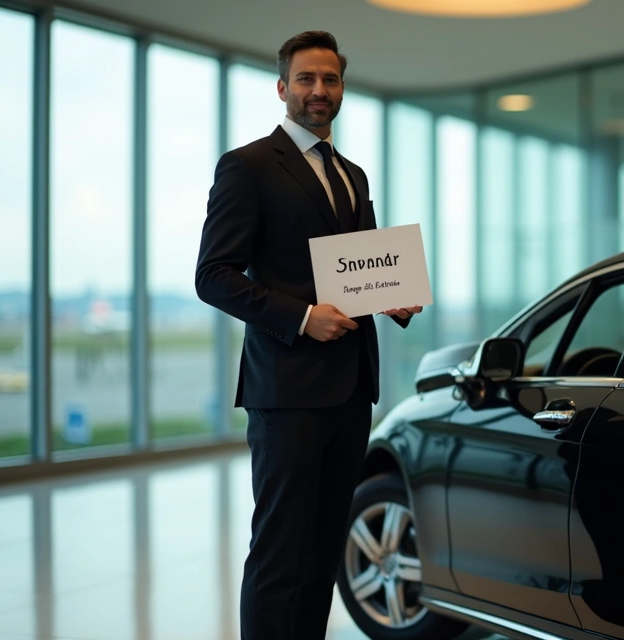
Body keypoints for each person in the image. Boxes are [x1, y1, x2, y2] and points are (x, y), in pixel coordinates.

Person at [194, 30, 422, 640]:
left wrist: (390, 297)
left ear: (342, 88)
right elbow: (213, 277)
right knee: (280, 556)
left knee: (322, 555)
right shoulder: (246, 166)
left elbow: (356, 273)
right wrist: (300, 316)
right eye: (306, 79)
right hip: (287, 390)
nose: (319, 90)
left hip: (350, 391)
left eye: (331, 79)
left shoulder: (352, 174)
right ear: (282, 88)